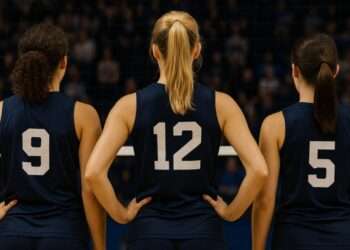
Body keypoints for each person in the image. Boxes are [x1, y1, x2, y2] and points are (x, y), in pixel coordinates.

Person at [85, 11, 267, 250]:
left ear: (155, 51)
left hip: (149, 232)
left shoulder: (128, 106)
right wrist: (233, 212)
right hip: (204, 231)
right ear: (197, 50)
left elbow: (93, 173)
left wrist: (120, 213)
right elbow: (260, 171)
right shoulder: (222, 104)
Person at [0, 23, 106, 250]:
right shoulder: (83, 114)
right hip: (64, 231)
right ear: (64, 62)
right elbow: (90, 188)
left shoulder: (1, 110)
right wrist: (100, 246)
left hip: (12, 231)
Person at [252, 34, 350, 250]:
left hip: (293, 238)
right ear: (335, 71)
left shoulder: (275, 124)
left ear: (294, 71)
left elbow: (265, 201)